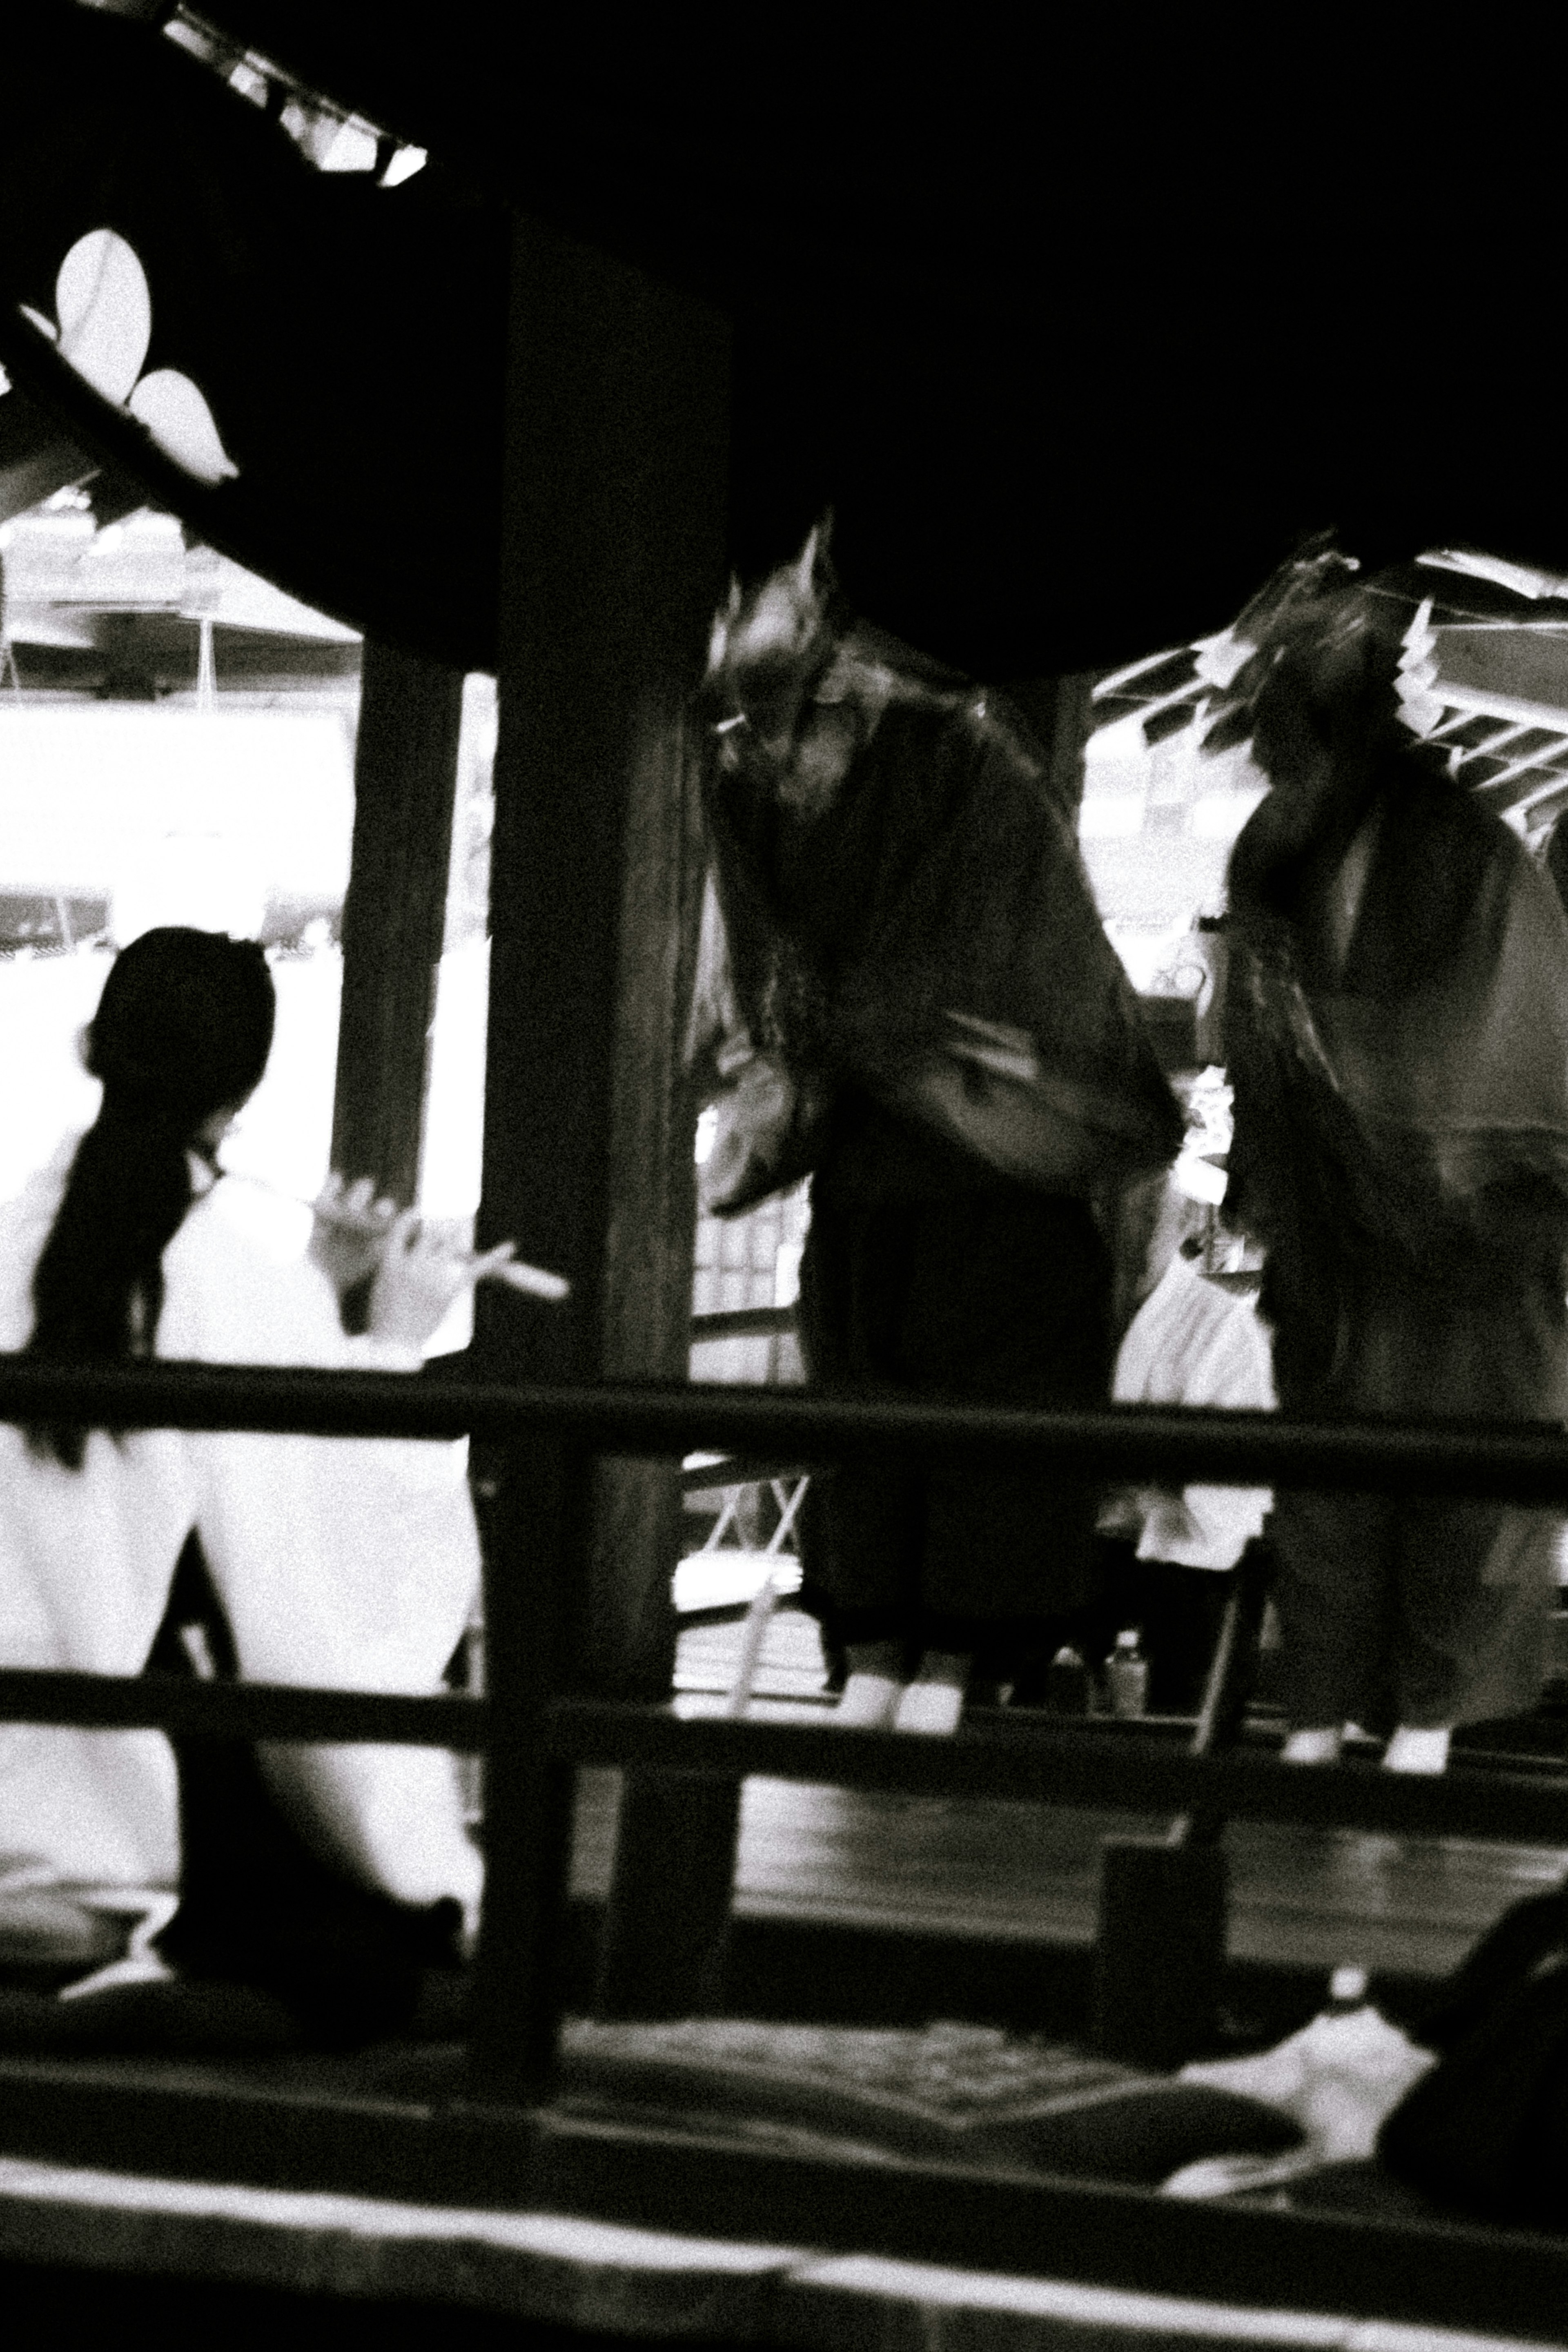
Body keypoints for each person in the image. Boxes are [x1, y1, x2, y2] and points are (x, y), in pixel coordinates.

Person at [689, 521, 1183, 1731]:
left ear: (848, 707)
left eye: (787, 727)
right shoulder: (760, 807)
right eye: (752, 732)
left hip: (996, 1204)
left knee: (977, 1455)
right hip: (869, 1202)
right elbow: (767, 1002)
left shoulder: (966, 780)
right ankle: (880, 1670)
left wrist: (846, 1049)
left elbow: (1017, 1019)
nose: (771, 761)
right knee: (871, 1443)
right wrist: (788, 1071)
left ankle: (938, 1680)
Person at [0, 928, 510, 2016]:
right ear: (241, 1095)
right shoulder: (224, 1268)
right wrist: (393, 1340)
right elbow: (335, 1533)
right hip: (139, 1782)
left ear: (96, 1045)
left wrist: (315, 1294)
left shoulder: (19, 1238)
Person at [1201, 549, 1568, 1773]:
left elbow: (1505, 1036)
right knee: (1330, 1503)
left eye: (1277, 715)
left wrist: (1367, 1089)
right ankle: (1316, 1733)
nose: (1261, 749)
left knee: (1467, 1501)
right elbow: (1251, 1030)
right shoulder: (1276, 854)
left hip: (1472, 1245)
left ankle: (1416, 1750)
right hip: (1334, 1249)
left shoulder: (1467, 848)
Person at [1096, 1155, 1276, 1711]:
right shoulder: (1070, 1310)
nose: (1136, 1229)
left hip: (1182, 1580)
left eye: (1154, 1214)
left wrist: (1132, 1503)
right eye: (1120, 1213)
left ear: (1185, 1227)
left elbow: (1231, 1501)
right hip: (1075, 1558)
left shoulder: (1226, 1330)